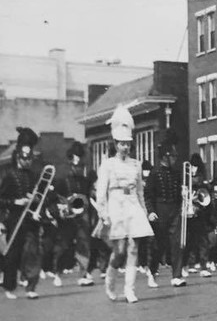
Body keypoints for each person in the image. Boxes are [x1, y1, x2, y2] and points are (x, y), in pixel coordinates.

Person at [95, 106, 154, 303]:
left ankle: (130, 289)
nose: (125, 147)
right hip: (116, 205)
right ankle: (110, 283)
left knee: (134, 247)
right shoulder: (108, 164)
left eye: (128, 144)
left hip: (132, 205)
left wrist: (144, 212)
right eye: (121, 144)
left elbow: (140, 192)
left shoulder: (135, 165)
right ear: (115, 144)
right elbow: (101, 191)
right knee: (119, 250)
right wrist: (103, 213)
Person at [0, 127, 53, 300]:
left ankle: (31, 285)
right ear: (17, 156)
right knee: (13, 254)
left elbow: (40, 196)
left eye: (30, 158)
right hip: (15, 220)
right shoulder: (9, 176)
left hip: (30, 219)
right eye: (24, 158)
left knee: (33, 252)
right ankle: (9, 287)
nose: (28, 161)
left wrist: (36, 200)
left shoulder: (34, 175)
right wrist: (16, 201)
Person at [144, 129, 186, 287]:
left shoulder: (176, 173)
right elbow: (148, 195)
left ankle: (177, 274)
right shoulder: (155, 173)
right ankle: (152, 271)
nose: (175, 159)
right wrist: (151, 211)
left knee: (177, 243)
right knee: (158, 245)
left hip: (174, 209)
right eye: (172, 156)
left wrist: (184, 194)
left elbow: (178, 193)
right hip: (160, 209)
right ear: (165, 156)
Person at [51, 142, 95, 287]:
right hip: (67, 218)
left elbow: (88, 197)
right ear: (70, 162)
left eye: (81, 165)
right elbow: (53, 199)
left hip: (81, 217)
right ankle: (57, 272)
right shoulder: (62, 181)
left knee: (84, 244)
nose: (78, 168)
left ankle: (83, 274)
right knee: (64, 246)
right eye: (76, 165)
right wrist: (61, 209)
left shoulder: (85, 181)